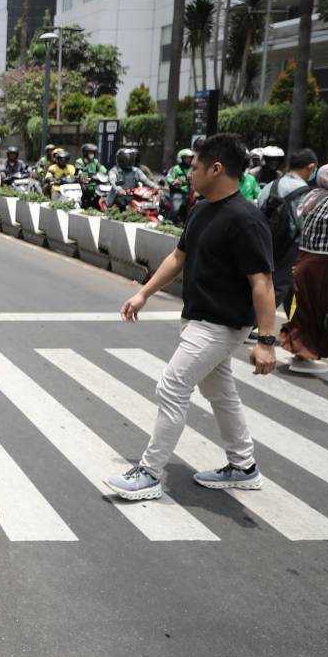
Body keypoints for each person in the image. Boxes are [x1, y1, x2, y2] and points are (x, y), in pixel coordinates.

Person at [107, 133, 277, 500]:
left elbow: (262, 282)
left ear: (216, 169)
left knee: (172, 385)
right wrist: (143, 293)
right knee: (221, 392)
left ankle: (149, 474)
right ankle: (243, 465)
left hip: (222, 323)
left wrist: (266, 341)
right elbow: (178, 257)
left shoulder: (246, 219)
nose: (189, 173)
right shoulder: (202, 209)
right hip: (199, 318)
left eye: (196, 167)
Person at [278, 159, 328, 374]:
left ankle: (301, 352)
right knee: (322, 311)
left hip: (304, 262)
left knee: (305, 310)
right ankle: (307, 353)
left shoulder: (313, 199)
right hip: (326, 267)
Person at [256, 148, 317, 312]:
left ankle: (294, 328)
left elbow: (258, 209)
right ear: (310, 168)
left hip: (264, 243)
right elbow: (305, 226)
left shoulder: (271, 185)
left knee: (288, 289)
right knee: (279, 288)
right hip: (289, 248)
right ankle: (249, 324)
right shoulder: (303, 192)